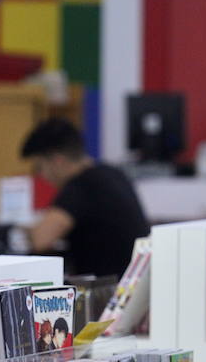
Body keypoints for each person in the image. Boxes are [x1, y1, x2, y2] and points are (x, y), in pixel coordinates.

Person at [19, 118, 150, 277]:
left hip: (105, 291)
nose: (42, 176)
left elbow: (41, 239)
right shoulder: (112, 173)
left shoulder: (81, 185)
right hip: (133, 283)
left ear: (57, 161)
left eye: (39, 167)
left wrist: (24, 230)